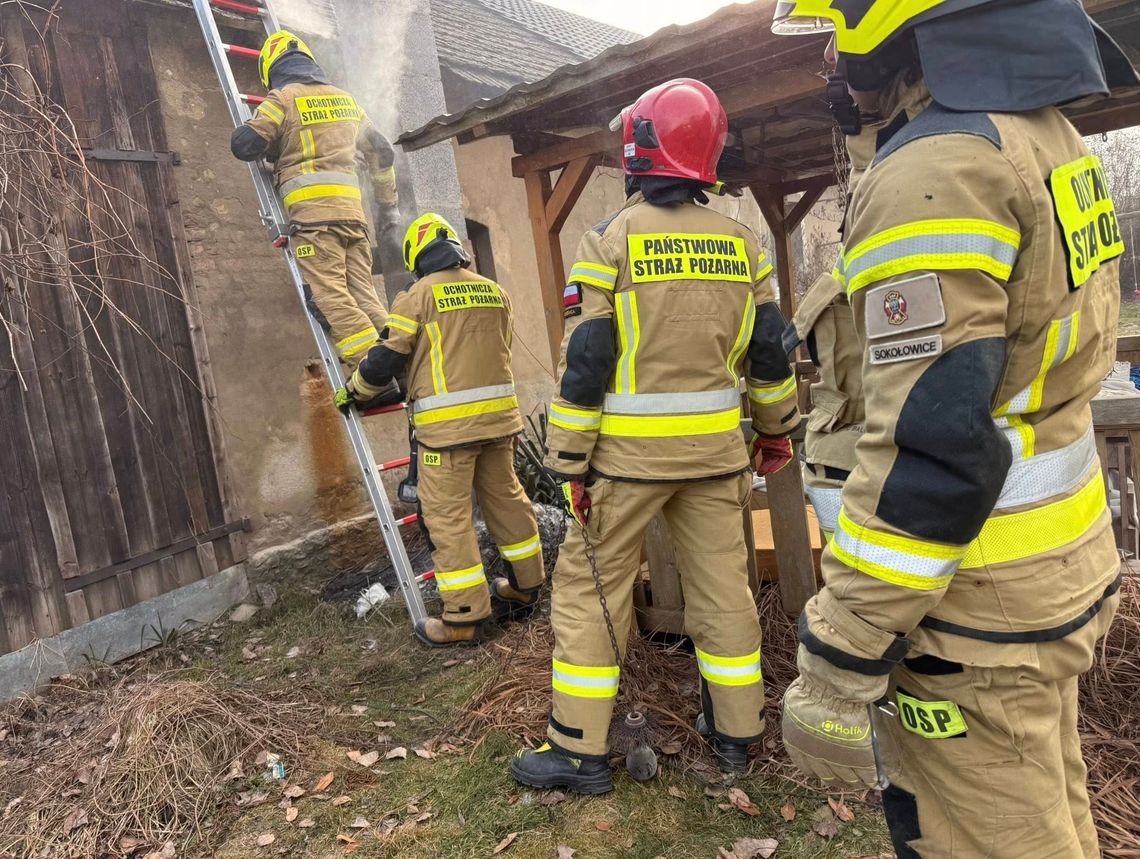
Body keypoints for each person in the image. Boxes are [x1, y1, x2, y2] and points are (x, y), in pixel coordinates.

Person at [771, 2, 1138, 856]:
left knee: (980, 836)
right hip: (1048, 579)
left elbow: (934, 451)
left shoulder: (933, 171)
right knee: (1049, 815)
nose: (831, 59)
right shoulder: (1045, 140)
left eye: (838, 30)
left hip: (971, 608)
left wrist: (843, 645)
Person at [510, 78, 800, 795]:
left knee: (587, 591)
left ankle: (579, 753)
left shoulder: (608, 241)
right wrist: (776, 432)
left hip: (625, 465)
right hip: (715, 458)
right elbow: (770, 354)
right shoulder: (744, 243)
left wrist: (569, 460)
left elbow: (587, 362)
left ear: (640, 149)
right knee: (724, 592)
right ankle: (735, 737)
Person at [335, 213, 545, 647]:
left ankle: (464, 617)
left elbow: (386, 358)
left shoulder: (417, 297)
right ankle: (527, 586)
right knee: (508, 502)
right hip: (500, 425)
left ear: (417, 256)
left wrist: (354, 390)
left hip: (447, 436)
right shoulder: (494, 292)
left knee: (448, 521)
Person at [231, 30, 402, 407]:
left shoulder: (282, 99)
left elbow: (246, 146)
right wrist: (388, 205)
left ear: (272, 70)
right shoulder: (346, 102)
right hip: (354, 219)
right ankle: (402, 367)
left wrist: (260, 135)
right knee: (365, 297)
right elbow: (383, 152)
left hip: (313, 221)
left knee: (330, 299)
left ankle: (372, 375)